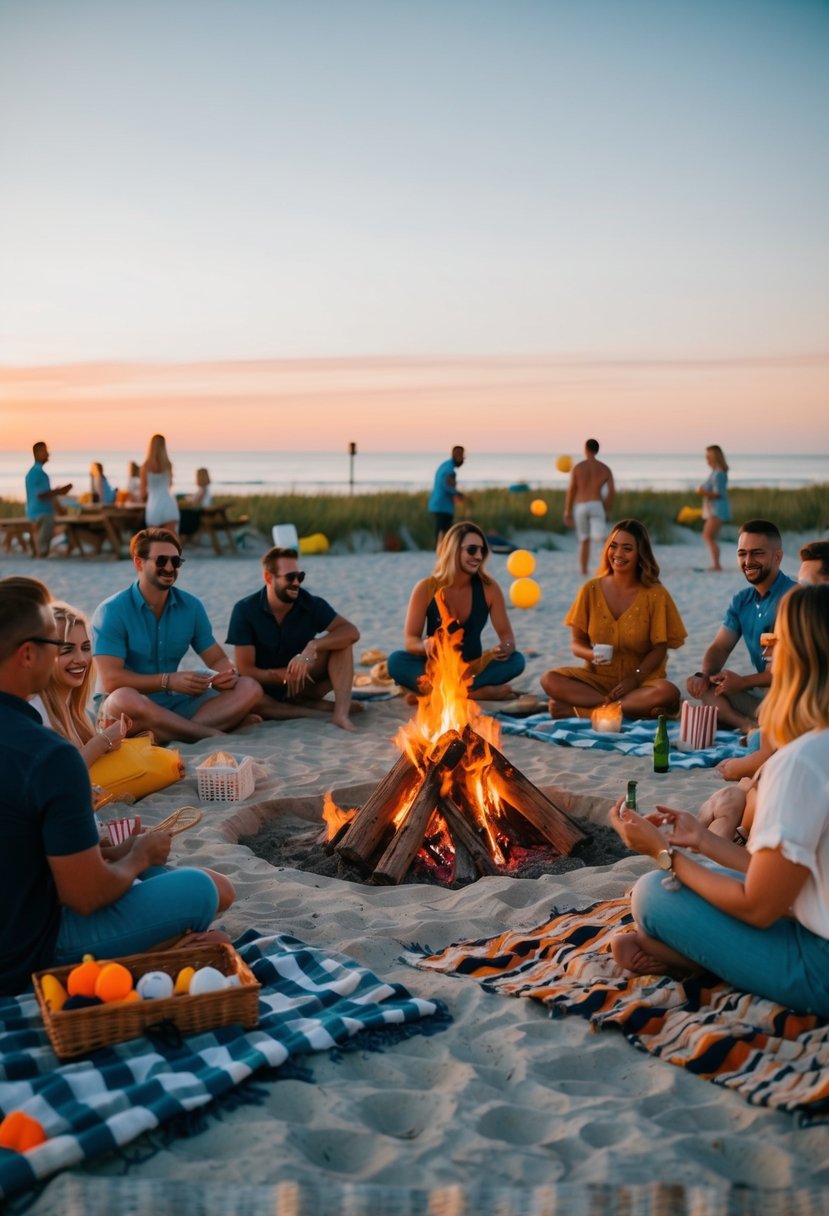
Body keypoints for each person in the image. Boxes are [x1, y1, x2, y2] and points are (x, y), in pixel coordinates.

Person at [0, 576, 231, 997]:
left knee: (177, 879)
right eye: (56, 645)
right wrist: (138, 856)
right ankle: (155, 954)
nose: (63, 655)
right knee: (200, 889)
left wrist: (118, 853)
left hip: (23, 907)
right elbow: (86, 896)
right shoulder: (50, 756)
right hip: (27, 948)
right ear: (28, 654)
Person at [608, 583, 829, 1018]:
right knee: (702, 873)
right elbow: (794, 878)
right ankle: (692, 953)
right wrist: (703, 842)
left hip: (817, 969)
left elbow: (760, 906)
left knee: (652, 893)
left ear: (799, 656)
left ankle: (694, 957)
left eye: (774, 641)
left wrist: (663, 853)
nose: (766, 653)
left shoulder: (802, 761)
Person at [92, 528, 262, 743]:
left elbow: (216, 658)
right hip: (126, 706)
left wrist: (224, 674)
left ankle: (174, 732)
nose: (170, 568)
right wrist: (168, 681)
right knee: (124, 699)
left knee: (249, 687)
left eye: (176, 561)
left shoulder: (191, 607)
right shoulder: (112, 610)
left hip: (173, 701)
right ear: (138, 563)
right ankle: (209, 731)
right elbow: (111, 680)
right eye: (161, 561)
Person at [541, 518, 686, 720]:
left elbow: (659, 647)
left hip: (641, 681)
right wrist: (592, 655)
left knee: (668, 692)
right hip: (598, 680)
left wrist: (635, 677)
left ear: (640, 554)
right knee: (550, 679)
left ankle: (588, 711)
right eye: (613, 546)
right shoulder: (590, 589)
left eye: (627, 548)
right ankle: (616, 707)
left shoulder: (655, 594)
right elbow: (577, 643)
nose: (618, 554)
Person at [387, 521, 526, 702]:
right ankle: (474, 693)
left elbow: (507, 637)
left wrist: (505, 648)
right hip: (435, 668)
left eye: (482, 551)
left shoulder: (489, 589)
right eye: (471, 550)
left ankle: (435, 694)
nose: (478, 556)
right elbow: (410, 640)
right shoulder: (425, 588)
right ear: (453, 550)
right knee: (396, 661)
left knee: (517, 660)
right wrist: (425, 645)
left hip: (472, 670)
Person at [228, 546, 360, 731]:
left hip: (302, 683)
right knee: (248, 694)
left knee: (342, 644)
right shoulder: (245, 611)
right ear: (268, 577)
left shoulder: (310, 603)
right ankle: (316, 712)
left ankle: (340, 714)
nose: (297, 582)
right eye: (290, 577)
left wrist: (313, 646)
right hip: (265, 690)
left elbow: (351, 631)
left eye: (300, 576)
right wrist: (280, 675)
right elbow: (246, 669)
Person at [685, 520, 796, 735]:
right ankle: (747, 726)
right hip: (763, 693)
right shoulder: (742, 600)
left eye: (757, 553)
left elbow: (781, 671)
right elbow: (720, 647)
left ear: (778, 557)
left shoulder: (792, 599)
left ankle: (763, 725)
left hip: (792, 696)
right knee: (708, 691)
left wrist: (742, 682)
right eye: (742, 553)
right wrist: (705, 675)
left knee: (774, 713)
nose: (748, 561)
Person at [29, 601, 130, 768]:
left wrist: (110, 738)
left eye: (85, 648)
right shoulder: (35, 712)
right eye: (67, 650)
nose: (82, 659)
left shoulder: (77, 711)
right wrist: (102, 741)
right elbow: (61, 772)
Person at [563, 439, 615, 576]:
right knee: (602, 537)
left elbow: (571, 490)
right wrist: (608, 508)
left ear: (585, 449)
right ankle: (611, 565)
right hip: (596, 504)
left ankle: (584, 570)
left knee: (584, 539)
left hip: (580, 506)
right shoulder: (605, 468)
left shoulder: (578, 467)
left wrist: (567, 511)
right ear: (597, 450)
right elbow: (611, 491)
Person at [25, 441, 72, 559]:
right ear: (38, 453)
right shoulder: (36, 473)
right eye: (45, 451)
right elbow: (40, 495)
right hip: (41, 514)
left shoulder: (37, 472)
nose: (48, 454)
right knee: (42, 549)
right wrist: (60, 492)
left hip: (41, 513)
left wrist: (57, 492)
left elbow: (44, 493)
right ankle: (41, 552)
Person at [696, 445, 730, 572]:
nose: (706, 459)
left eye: (708, 456)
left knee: (708, 536)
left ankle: (716, 565)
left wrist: (702, 492)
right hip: (714, 509)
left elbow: (718, 494)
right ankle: (716, 564)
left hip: (718, 510)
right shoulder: (715, 472)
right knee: (709, 536)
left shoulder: (719, 474)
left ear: (714, 457)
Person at [140, 433, 179, 533]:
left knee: (154, 540)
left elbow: (143, 492)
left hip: (154, 504)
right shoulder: (168, 464)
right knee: (172, 540)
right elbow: (170, 485)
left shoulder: (146, 466)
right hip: (168, 502)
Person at [428, 446, 466, 548]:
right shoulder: (450, 470)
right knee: (445, 531)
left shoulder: (445, 465)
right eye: (461, 456)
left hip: (437, 503)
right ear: (456, 455)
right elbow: (447, 486)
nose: (463, 459)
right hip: (443, 506)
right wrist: (458, 494)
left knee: (441, 530)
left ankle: (440, 550)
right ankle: (441, 551)